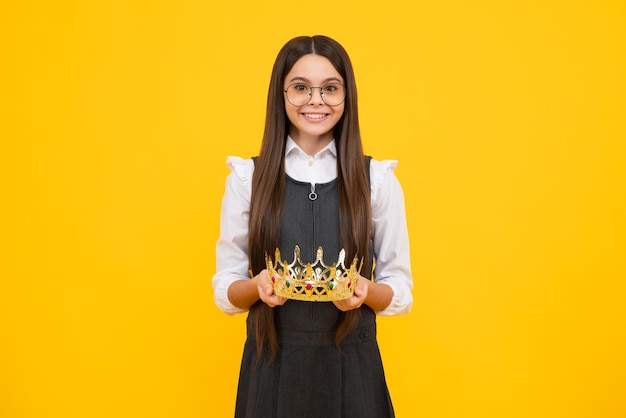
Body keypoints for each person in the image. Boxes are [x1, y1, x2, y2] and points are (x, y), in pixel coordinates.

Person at [212, 35, 413, 418]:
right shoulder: (246, 178)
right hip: (271, 367)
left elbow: (400, 292)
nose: (316, 100)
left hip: (352, 369)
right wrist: (257, 287)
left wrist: (364, 291)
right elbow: (226, 290)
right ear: (281, 93)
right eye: (301, 87)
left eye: (330, 88)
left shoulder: (378, 180)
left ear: (346, 96)